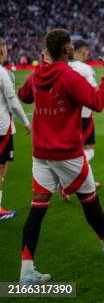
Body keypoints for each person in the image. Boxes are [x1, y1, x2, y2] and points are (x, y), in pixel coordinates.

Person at [18, 29, 104, 284]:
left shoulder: (37, 75)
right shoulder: (69, 76)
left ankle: (26, 272)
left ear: (47, 50)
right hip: (67, 153)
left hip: (41, 154)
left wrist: (39, 70)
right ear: (67, 50)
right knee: (90, 200)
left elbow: (24, 97)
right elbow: (98, 102)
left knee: (37, 210)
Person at [69, 40, 104, 189]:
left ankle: (85, 181)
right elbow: (96, 94)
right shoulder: (85, 69)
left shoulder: (63, 66)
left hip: (68, 116)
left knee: (76, 150)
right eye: (86, 53)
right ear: (82, 52)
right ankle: (70, 181)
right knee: (87, 150)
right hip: (84, 115)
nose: (87, 56)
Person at [0, 38, 31, 220]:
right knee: (1, 169)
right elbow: (13, 102)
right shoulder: (3, 73)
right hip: (2, 128)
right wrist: (26, 122)